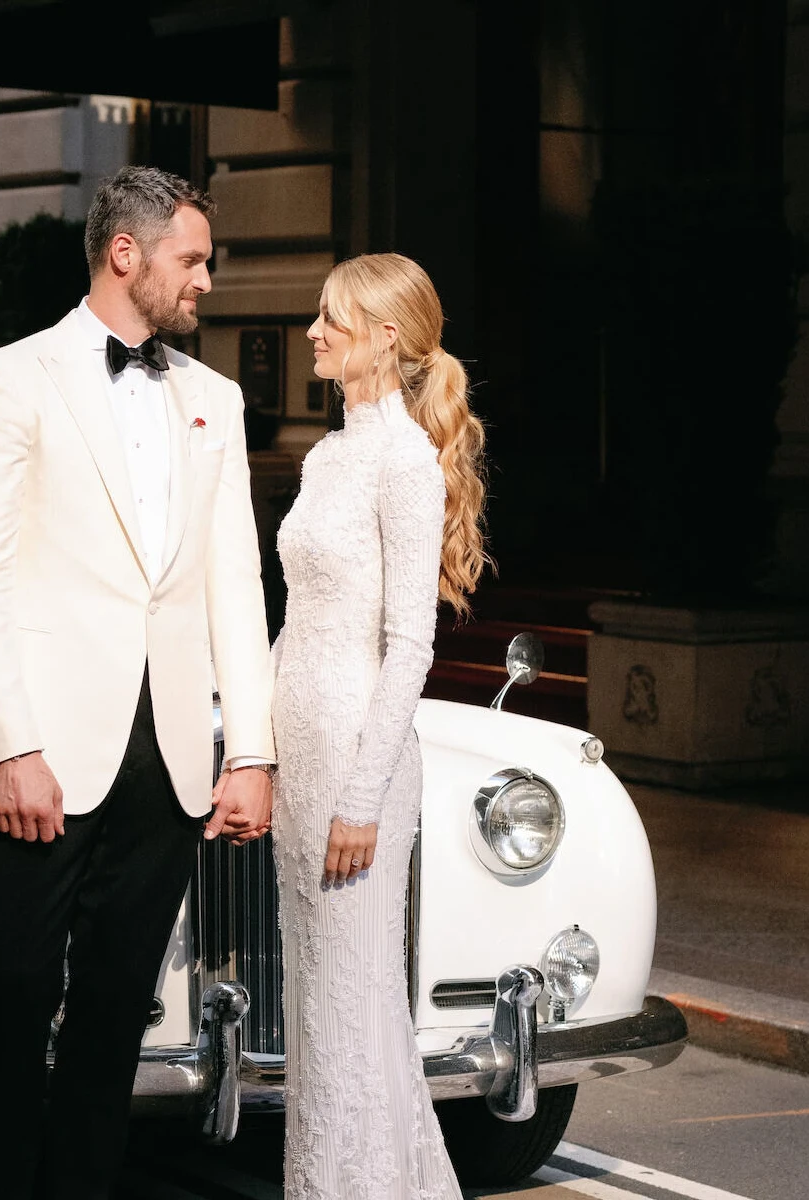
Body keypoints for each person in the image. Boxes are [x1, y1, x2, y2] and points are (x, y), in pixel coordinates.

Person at [0, 166, 276, 1199]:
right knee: (18, 994)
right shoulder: (9, 379)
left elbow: (234, 585)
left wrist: (251, 750)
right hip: (44, 753)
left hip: (170, 758)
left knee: (117, 1008)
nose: (207, 282)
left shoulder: (215, 400)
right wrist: (13, 747)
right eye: (194, 259)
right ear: (126, 255)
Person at [271, 253, 487, 1199]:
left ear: (384, 339)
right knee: (319, 1008)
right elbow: (296, 622)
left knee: (355, 1006)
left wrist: (361, 794)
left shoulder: (403, 461)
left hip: (362, 763)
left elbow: (411, 645)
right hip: (301, 756)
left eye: (331, 318)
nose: (312, 331)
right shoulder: (326, 455)